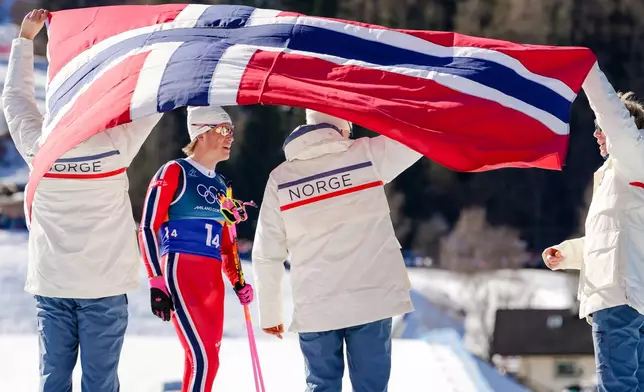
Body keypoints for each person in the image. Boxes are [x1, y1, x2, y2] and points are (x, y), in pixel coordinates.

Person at [2, 9, 162, 392]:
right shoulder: (115, 146)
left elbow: (15, 100)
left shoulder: (39, 148)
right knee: (100, 383)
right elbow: (155, 99)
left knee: (54, 381)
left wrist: (25, 41)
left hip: (52, 286)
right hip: (103, 289)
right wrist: (157, 45)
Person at [252, 109, 422, 391]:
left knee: (321, 385)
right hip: (371, 299)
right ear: (343, 126)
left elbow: (267, 253)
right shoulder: (367, 155)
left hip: (316, 305)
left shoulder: (280, 178)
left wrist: (270, 313)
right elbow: (418, 138)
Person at [542, 63, 644, 391]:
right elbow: (612, 238)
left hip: (619, 297)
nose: (596, 134)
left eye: (600, 127)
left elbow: (613, 116)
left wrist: (588, 72)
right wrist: (568, 254)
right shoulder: (622, 179)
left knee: (616, 385)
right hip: (632, 297)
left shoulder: (633, 160)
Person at [138, 105, 254, 392]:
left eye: (232, 131)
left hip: (211, 278)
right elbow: (147, 226)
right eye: (224, 130)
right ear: (201, 133)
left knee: (205, 359)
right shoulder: (175, 171)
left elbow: (228, 244)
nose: (231, 137)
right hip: (182, 270)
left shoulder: (221, 185)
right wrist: (156, 280)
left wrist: (238, 281)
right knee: (203, 358)